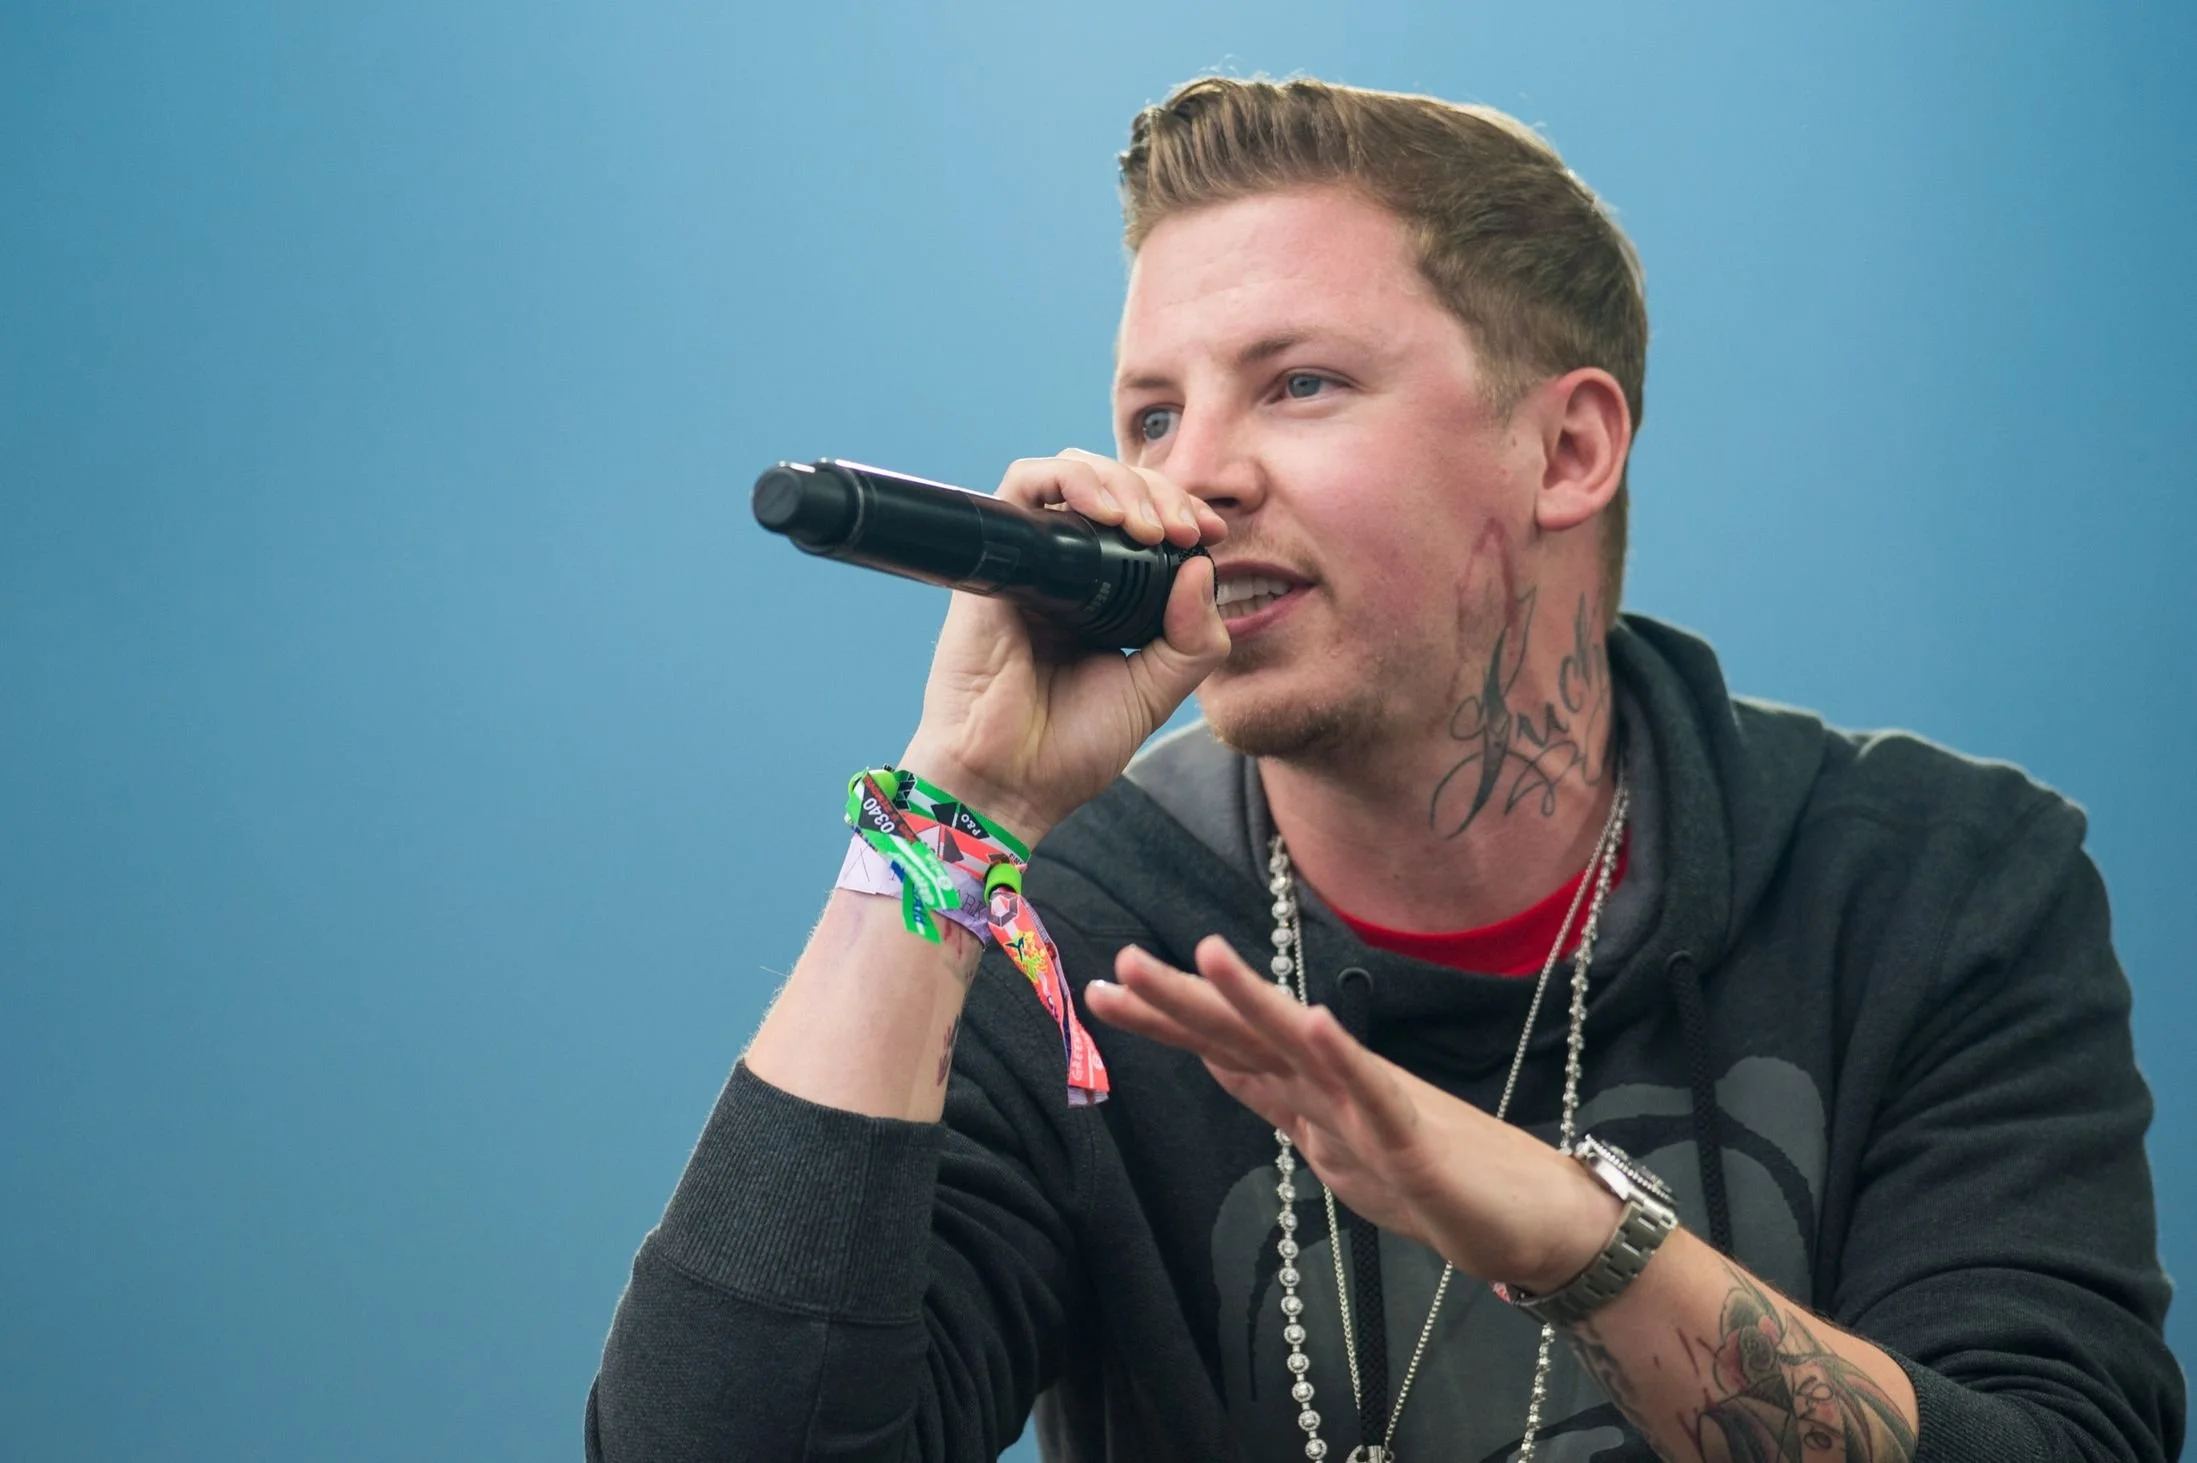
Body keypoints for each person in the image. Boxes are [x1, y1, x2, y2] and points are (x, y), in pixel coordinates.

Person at [586, 76, 2183, 1462]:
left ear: (1568, 450)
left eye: (1299, 383)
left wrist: (1578, 1237)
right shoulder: (1060, 934)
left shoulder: (1935, 887)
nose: (1191, 477)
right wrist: (954, 816)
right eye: (1151, 413)